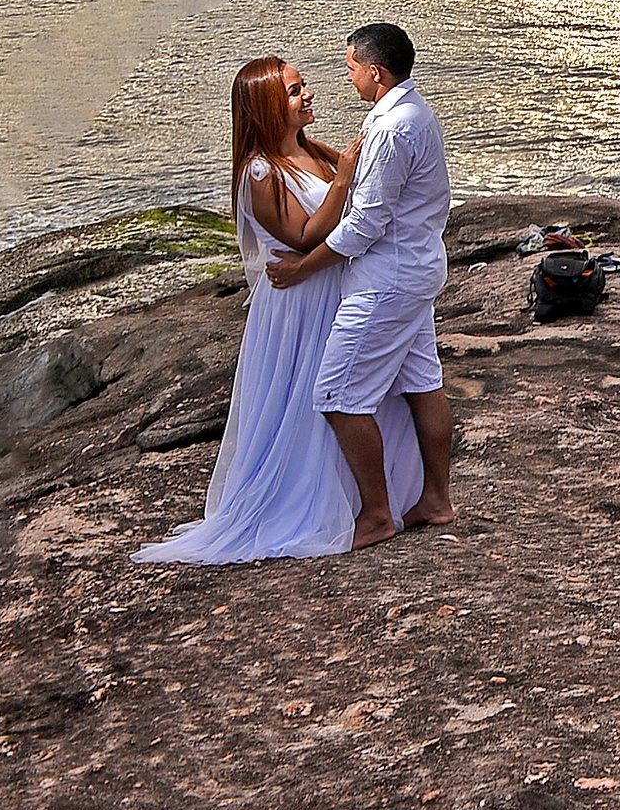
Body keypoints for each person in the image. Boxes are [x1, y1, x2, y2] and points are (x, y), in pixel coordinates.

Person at [134, 58, 424, 564]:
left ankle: (371, 499)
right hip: (297, 300)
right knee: (312, 397)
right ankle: (313, 502)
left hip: (332, 285)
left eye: (302, 86)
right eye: (293, 92)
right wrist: (344, 181)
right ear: (267, 107)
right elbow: (303, 236)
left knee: (357, 391)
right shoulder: (261, 171)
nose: (307, 94)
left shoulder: (314, 150)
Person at [268, 23, 457, 548]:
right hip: (416, 268)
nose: (347, 77)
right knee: (422, 382)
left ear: (374, 71)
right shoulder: (415, 113)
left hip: (387, 280)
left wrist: (304, 267)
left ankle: (376, 514)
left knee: (337, 394)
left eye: (351, 67)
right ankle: (436, 499)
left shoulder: (392, 129)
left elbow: (364, 225)